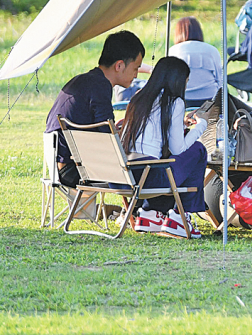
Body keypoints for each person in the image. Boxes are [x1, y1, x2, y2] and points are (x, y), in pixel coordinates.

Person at [120, 56, 219, 238]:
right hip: (151, 178)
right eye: (186, 82)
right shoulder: (174, 102)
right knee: (197, 150)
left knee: (171, 160)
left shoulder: (138, 99)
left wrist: (180, 126)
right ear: (178, 81)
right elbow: (178, 149)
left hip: (126, 177)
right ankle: (181, 217)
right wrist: (200, 127)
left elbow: (151, 136)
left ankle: (150, 213)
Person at [46, 30, 144, 167]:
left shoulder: (85, 80)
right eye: (136, 68)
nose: (136, 75)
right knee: (145, 167)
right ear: (119, 65)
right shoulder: (101, 86)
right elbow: (109, 139)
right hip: (75, 168)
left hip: (57, 162)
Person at [167, 17, 223, 104]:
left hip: (182, 97)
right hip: (209, 97)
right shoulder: (212, 50)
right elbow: (220, 79)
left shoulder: (173, 51)